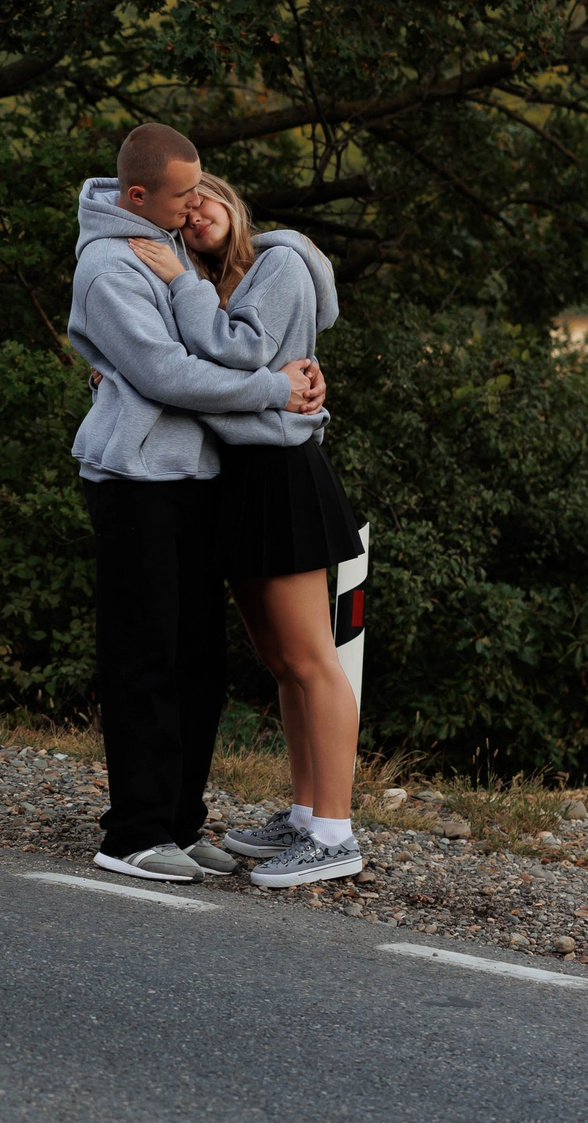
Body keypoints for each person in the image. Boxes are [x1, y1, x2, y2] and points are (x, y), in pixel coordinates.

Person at [66, 125, 324, 883]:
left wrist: (295, 379)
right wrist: (275, 389)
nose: (195, 204)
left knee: (199, 664)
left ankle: (179, 822)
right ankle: (133, 833)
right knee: (144, 658)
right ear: (137, 194)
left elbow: (226, 333)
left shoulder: (168, 243)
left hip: (196, 478)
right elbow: (168, 374)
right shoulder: (109, 264)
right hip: (134, 483)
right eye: (183, 194)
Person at [125, 173, 367, 887]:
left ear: (229, 198)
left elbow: (237, 353)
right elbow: (184, 366)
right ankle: (304, 813)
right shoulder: (212, 285)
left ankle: (335, 833)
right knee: (281, 661)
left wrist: (179, 284)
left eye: (203, 195)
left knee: (312, 656)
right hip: (241, 478)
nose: (196, 211)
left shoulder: (281, 262)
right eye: (184, 208)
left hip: (282, 475)